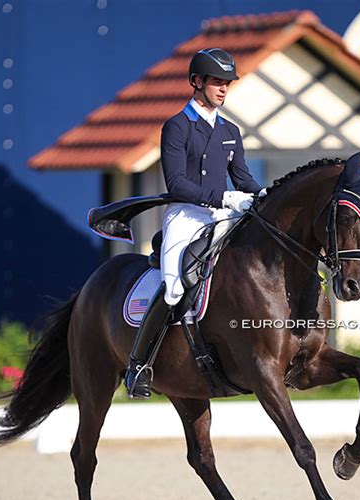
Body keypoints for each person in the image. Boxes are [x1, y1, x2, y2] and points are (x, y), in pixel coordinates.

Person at [124, 47, 265, 399]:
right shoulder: (177, 127)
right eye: (217, 82)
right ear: (196, 82)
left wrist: (265, 196)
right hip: (186, 216)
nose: (223, 89)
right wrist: (222, 197)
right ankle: (139, 365)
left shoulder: (230, 130)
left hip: (223, 215)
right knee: (173, 285)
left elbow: (243, 178)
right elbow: (177, 184)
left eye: (227, 83)